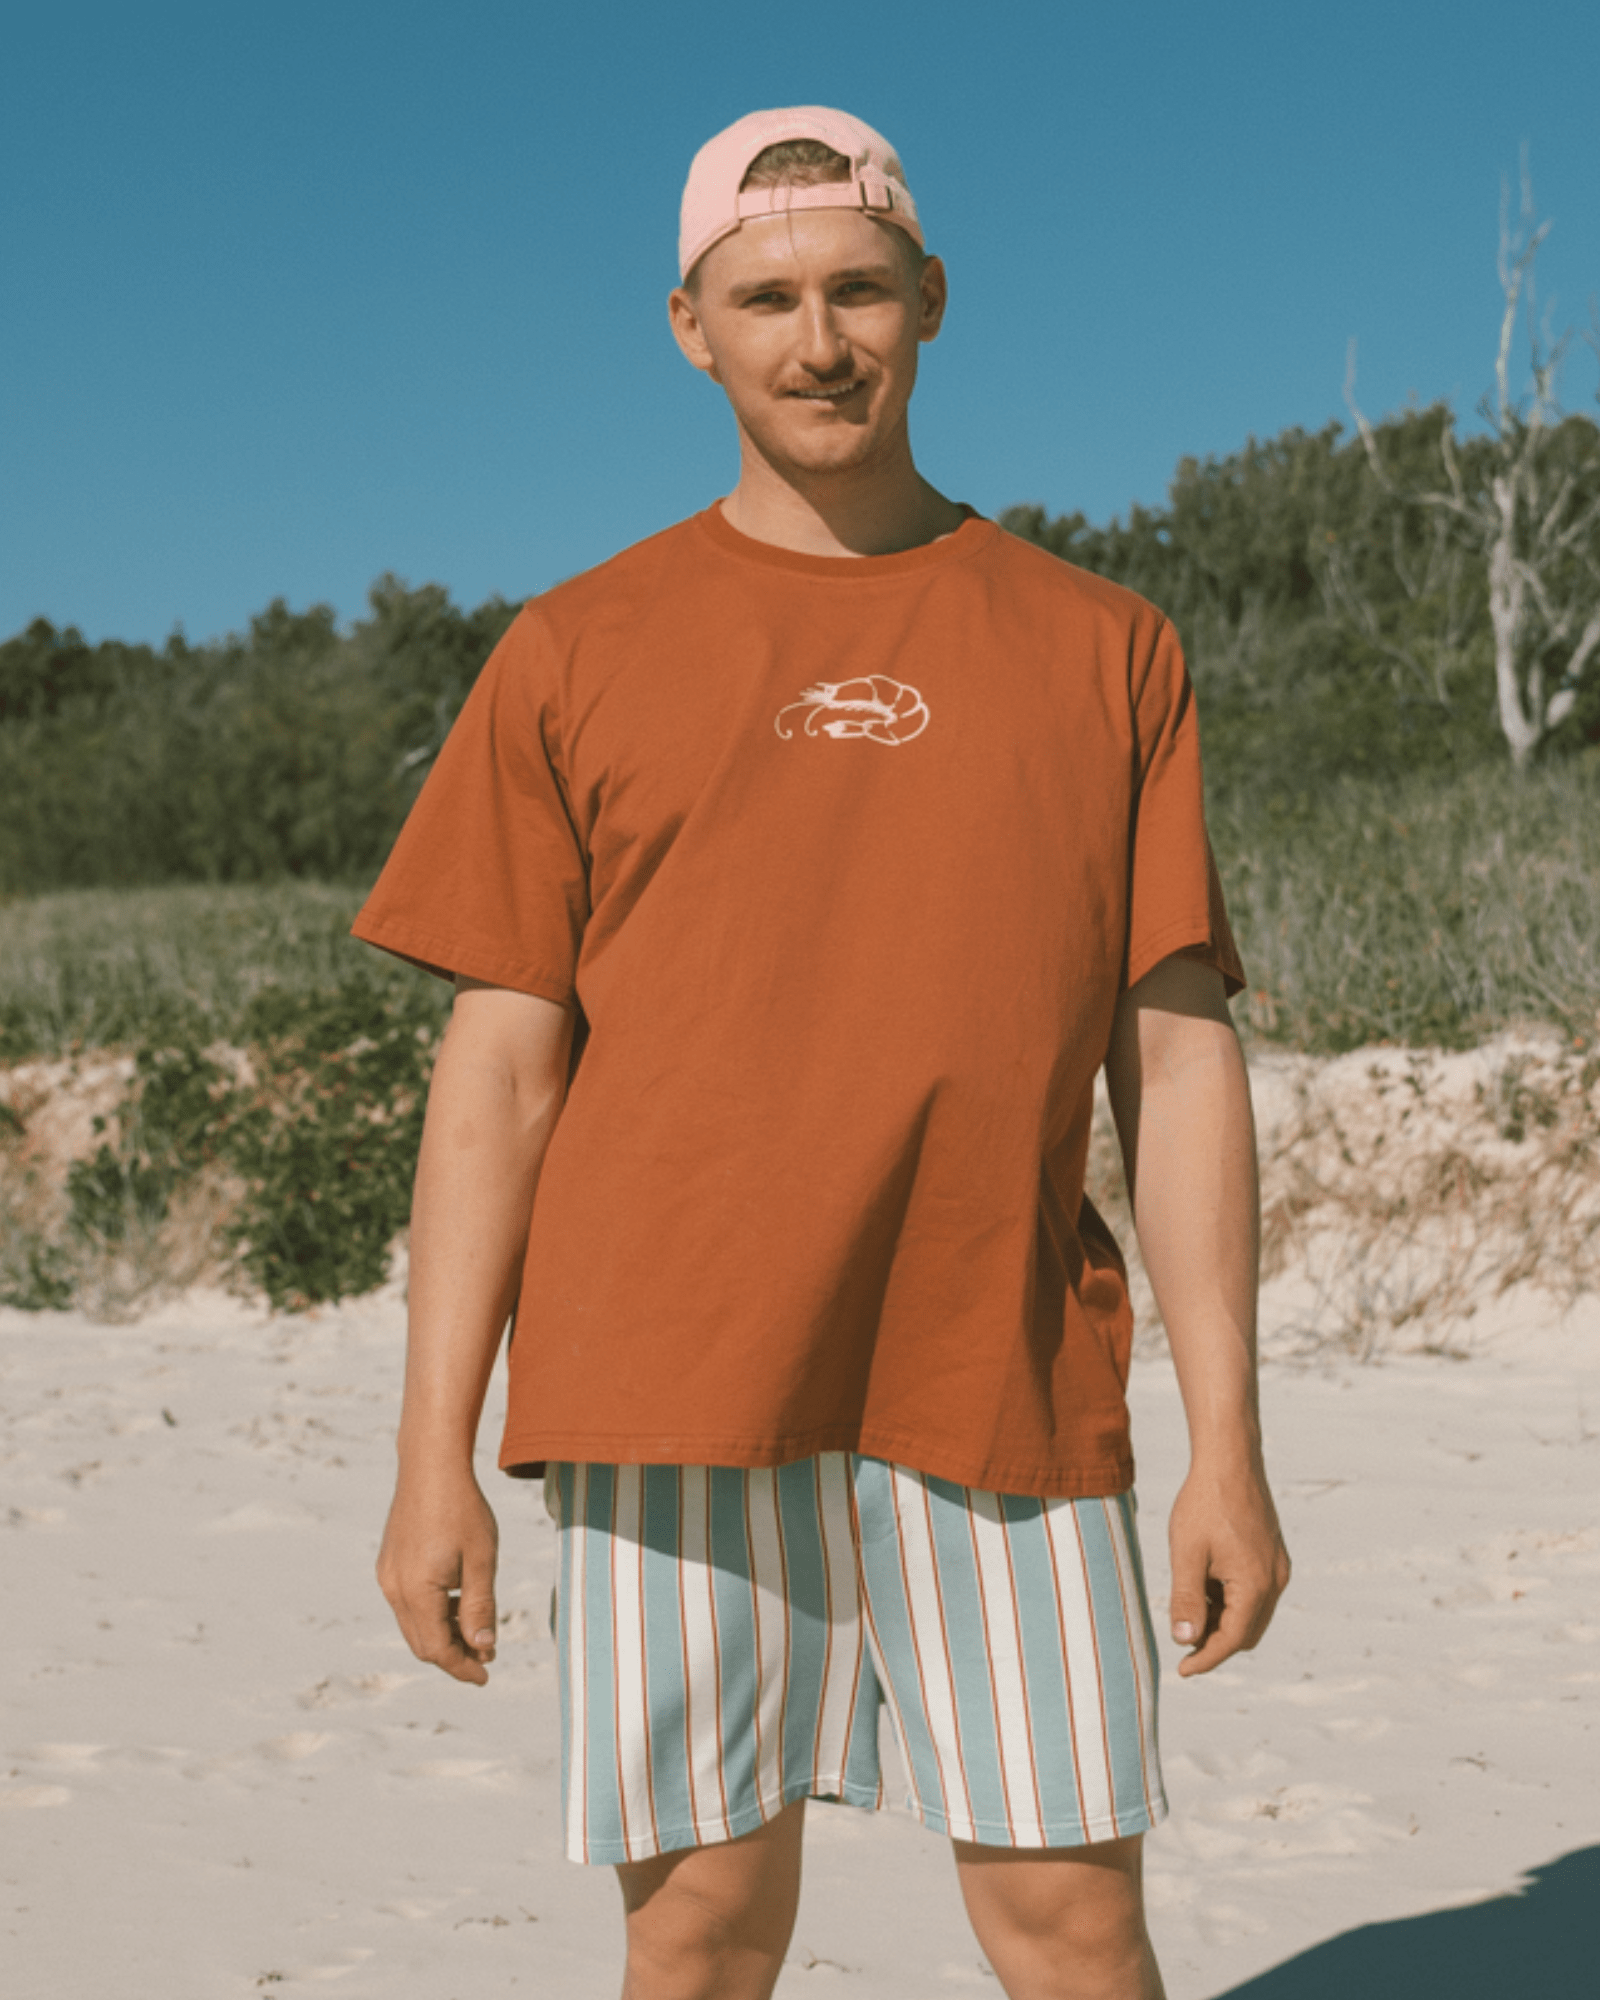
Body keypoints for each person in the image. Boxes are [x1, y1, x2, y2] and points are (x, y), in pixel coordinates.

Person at [355, 105, 1290, 2000]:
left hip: (1001, 1370)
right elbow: (500, 1081)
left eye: (858, 290)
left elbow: (1178, 1065)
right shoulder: (573, 648)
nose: (820, 341)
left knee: (1075, 1922)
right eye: (765, 299)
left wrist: (1232, 1449)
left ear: (930, 298)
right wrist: (427, 1456)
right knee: (701, 1930)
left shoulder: (1106, 646)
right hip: (667, 1379)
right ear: (689, 328)